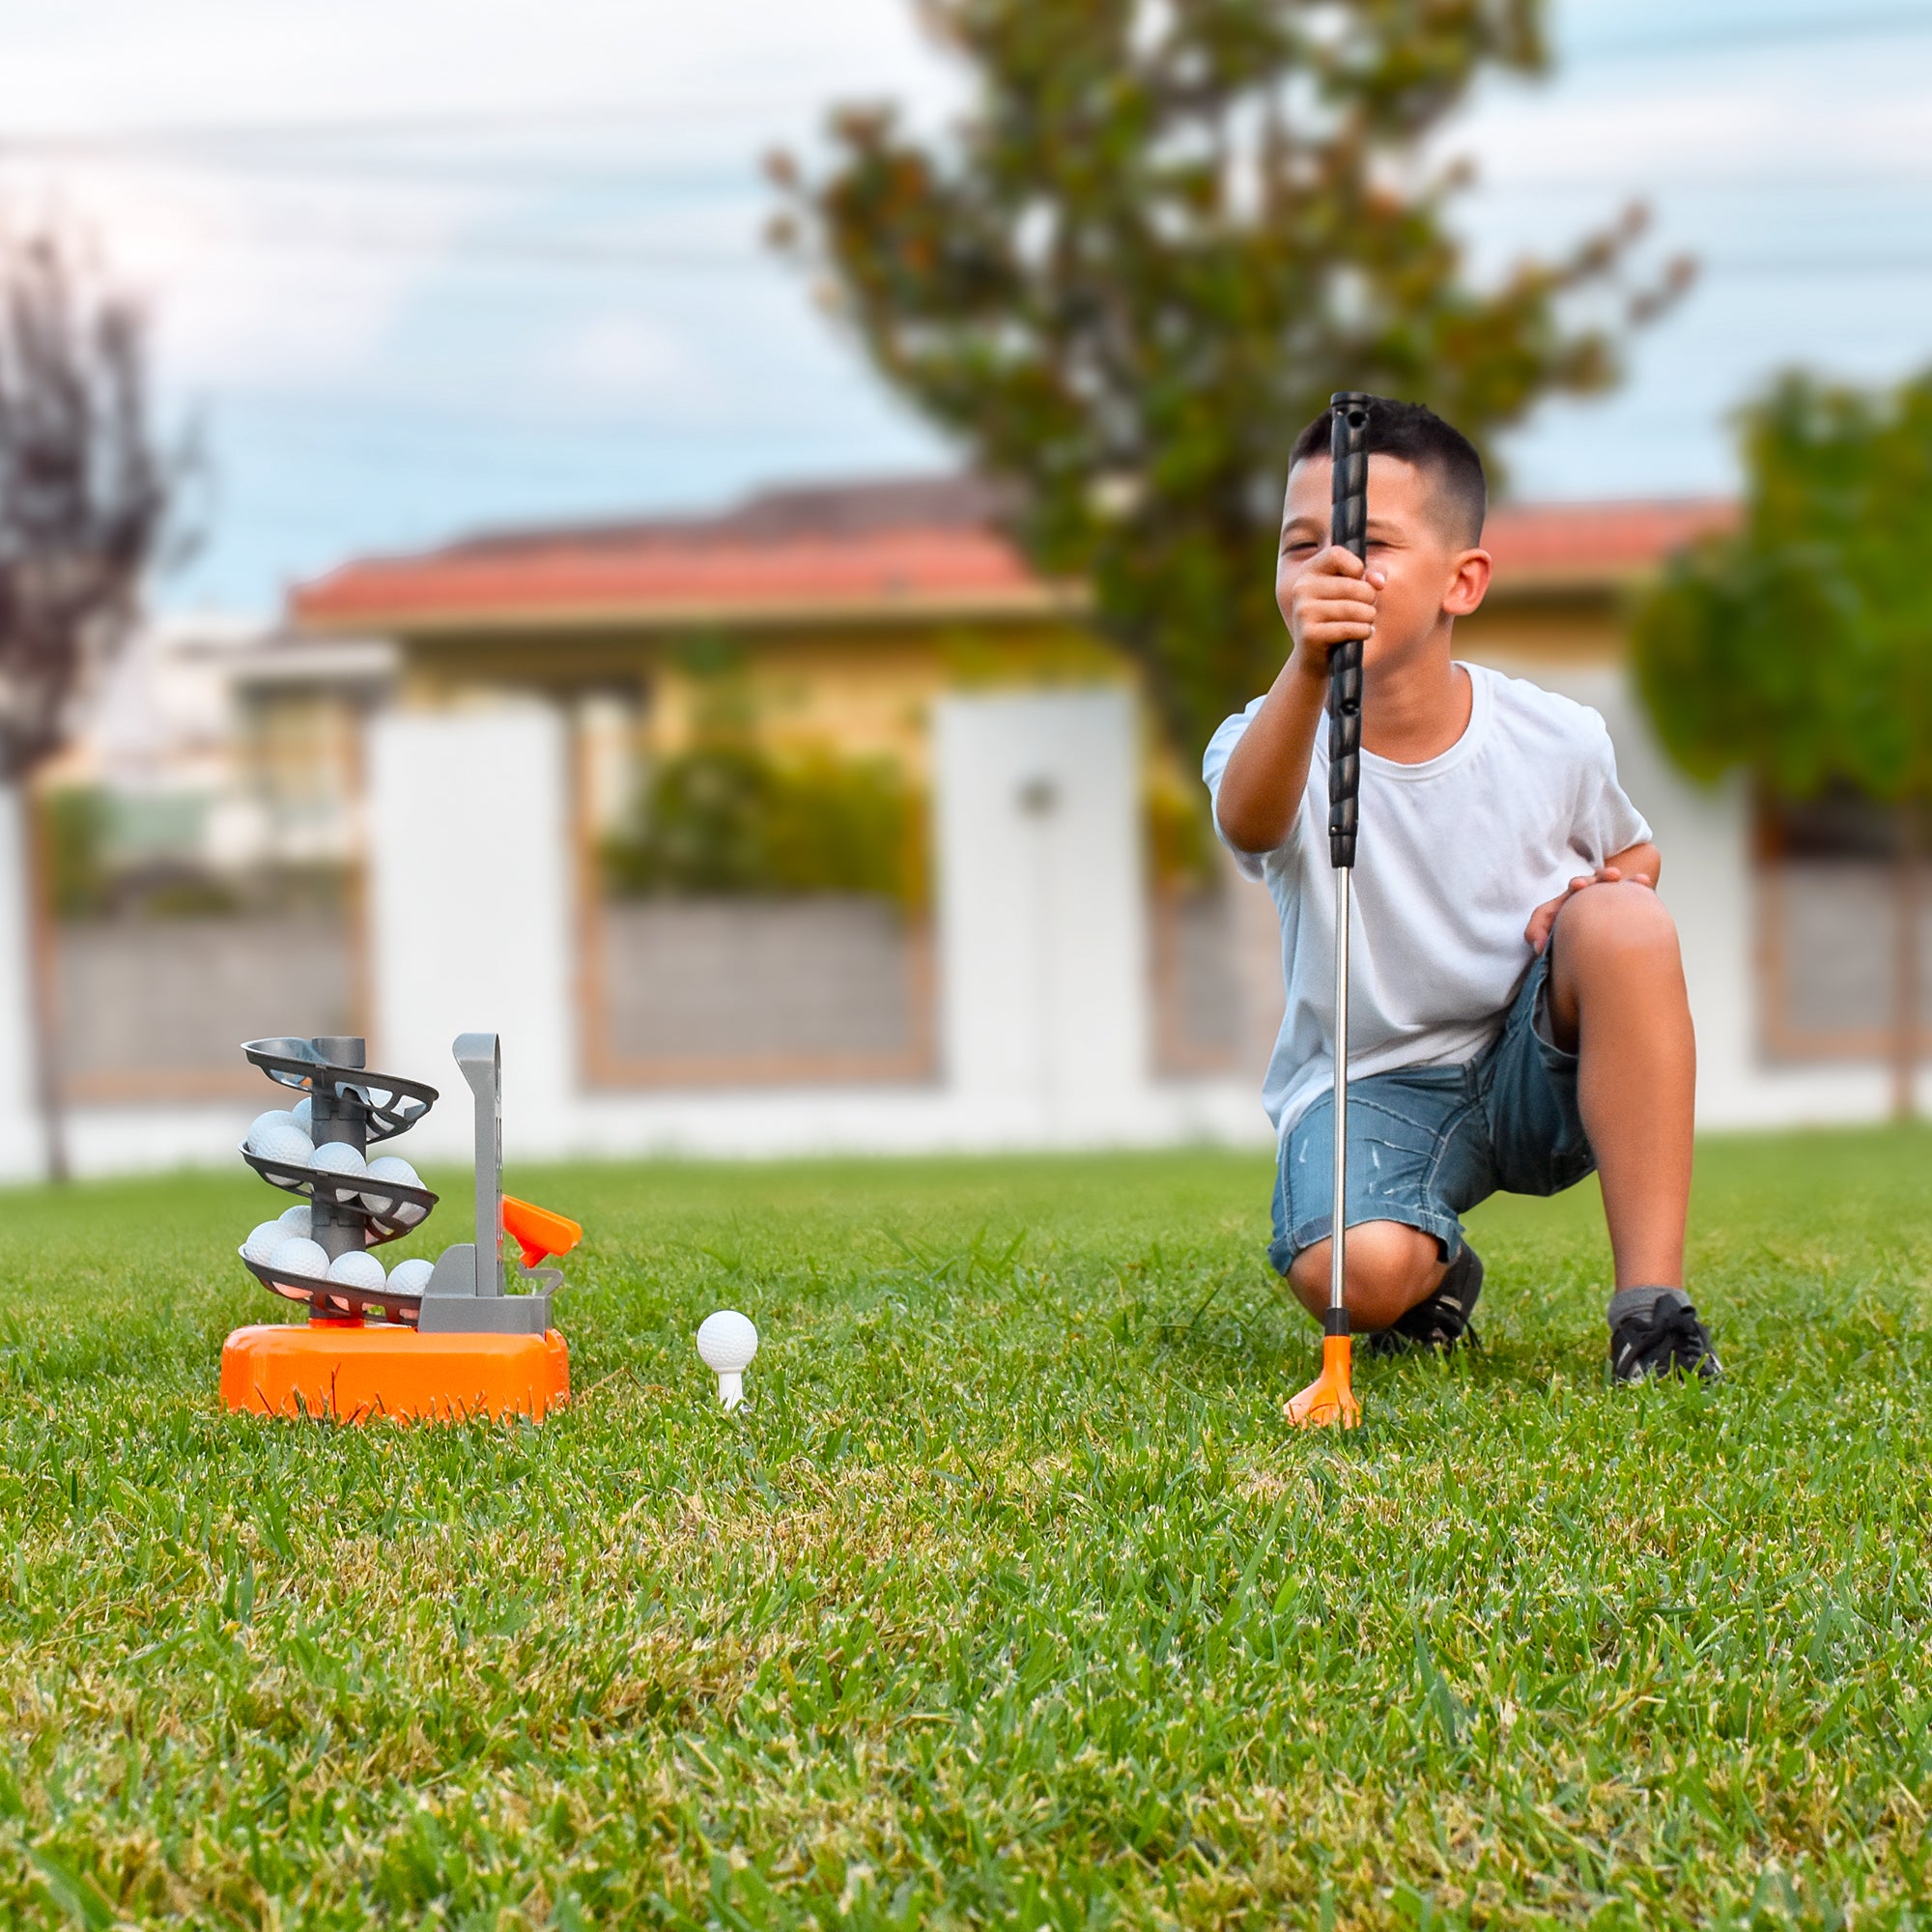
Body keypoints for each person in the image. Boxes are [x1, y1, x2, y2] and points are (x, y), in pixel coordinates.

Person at [1204, 397, 1720, 1384]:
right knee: (1349, 1272)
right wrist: (1308, 666)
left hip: (1535, 1062)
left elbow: (1636, 859)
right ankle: (1426, 1263)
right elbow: (1249, 821)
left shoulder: (1555, 737)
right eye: (1299, 545)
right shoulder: (1265, 738)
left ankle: (1650, 1314)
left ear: (1462, 581)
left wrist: (1585, 901)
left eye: (1369, 543)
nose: (1330, 567)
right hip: (1371, 1083)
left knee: (1621, 920)